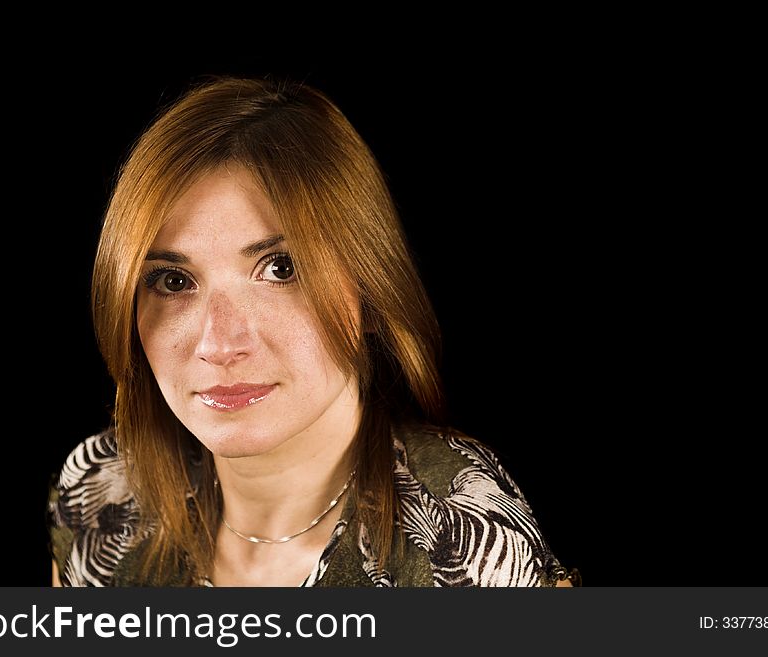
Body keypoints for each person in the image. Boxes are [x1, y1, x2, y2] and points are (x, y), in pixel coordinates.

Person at [47, 76, 580, 587]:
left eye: (282, 269)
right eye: (173, 280)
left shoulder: (462, 542)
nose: (219, 344)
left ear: (369, 286)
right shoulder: (102, 495)